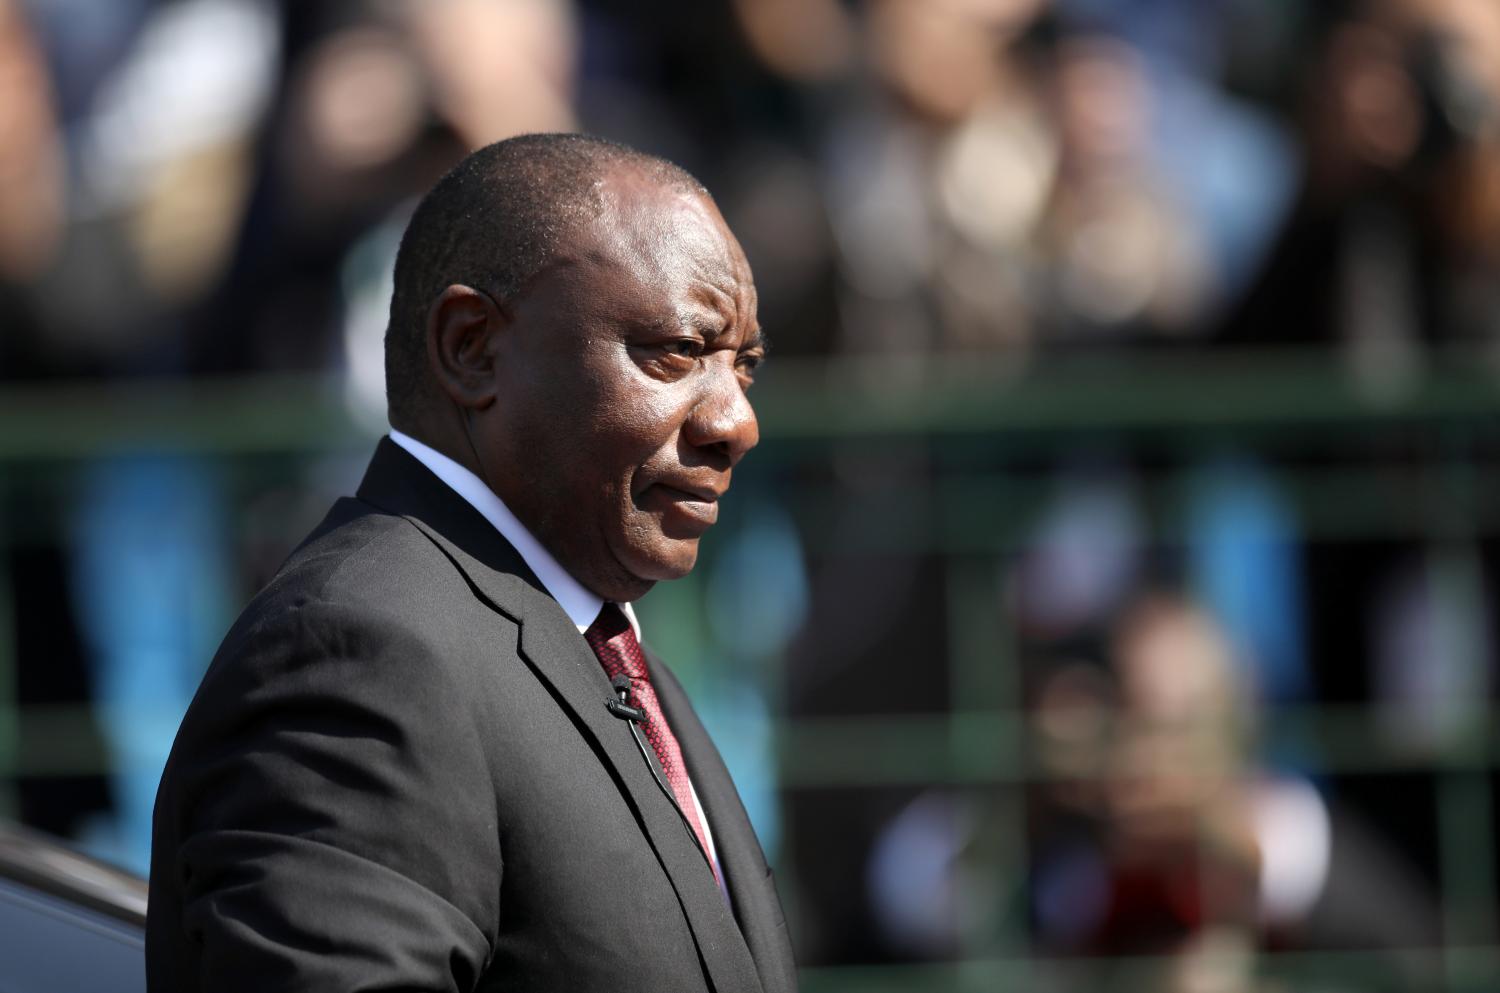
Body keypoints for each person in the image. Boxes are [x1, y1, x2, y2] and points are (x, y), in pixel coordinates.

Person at [146, 133, 795, 993]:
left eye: (743, 367)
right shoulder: (361, 659)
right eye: (674, 351)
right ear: (471, 347)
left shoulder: (607, 656)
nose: (735, 421)